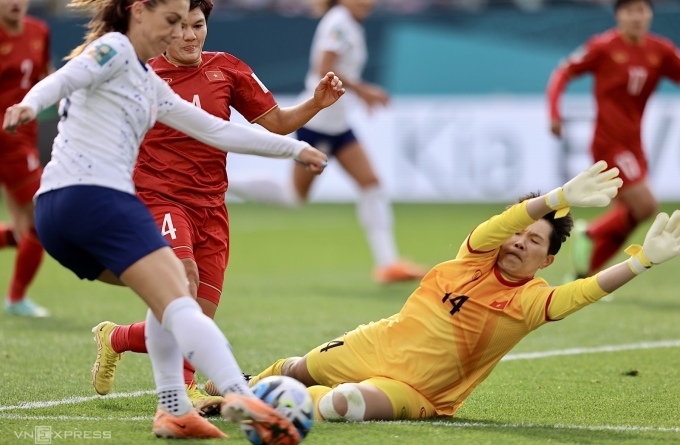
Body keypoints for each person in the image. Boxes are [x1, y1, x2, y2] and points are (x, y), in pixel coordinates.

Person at [2, 0, 330, 444]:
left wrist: (294, 149)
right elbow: (64, 78)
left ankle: (173, 408)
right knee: (180, 292)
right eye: (172, 22)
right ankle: (239, 394)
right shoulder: (115, 48)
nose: (181, 34)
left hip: (62, 216)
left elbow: (215, 130)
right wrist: (28, 103)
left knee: (173, 299)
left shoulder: (145, 78)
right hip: (100, 200)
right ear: (139, 13)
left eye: (191, 24)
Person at [207, 162, 680, 422]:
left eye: (535, 241)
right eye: (520, 233)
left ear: (547, 260)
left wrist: (640, 262)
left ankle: (253, 406)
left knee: (342, 404)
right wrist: (557, 198)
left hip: (417, 390)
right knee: (296, 368)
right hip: (376, 342)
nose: (519, 241)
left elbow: (586, 291)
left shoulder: (532, 301)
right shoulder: (474, 253)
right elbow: (502, 223)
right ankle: (235, 389)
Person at [89, 0, 344, 417]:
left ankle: (116, 338)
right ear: (164, 26)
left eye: (199, 25)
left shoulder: (227, 68)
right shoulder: (142, 73)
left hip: (211, 207)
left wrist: (316, 103)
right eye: (181, 26)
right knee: (182, 287)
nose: (190, 36)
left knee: (195, 318)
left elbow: (276, 122)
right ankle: (183, 391)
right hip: (159, 199)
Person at [227, 0, 428, 284]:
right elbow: (325, 69)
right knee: (295, 197)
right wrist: (364, 90)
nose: (368, 2)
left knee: (371, 184)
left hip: (338, 123)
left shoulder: (348, 24)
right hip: (318, 123)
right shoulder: (338, 22)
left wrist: (359, 93)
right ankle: (225, 182)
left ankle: (388, 263)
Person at [546, 0, 680, 279]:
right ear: (618, 15)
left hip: (635, 143)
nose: (636, 16)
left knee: (632, 214)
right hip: (609, 141)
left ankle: (585, 274)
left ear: (650, 15)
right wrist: (555, 113)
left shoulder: (661, 50)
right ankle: (591, 232)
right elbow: (562, 73)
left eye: (642, 10)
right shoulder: (603, 46)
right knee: (645, 206)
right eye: (630, 10)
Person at [0, 0, 51, 317]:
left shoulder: (39, 30)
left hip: (26, 137)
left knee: (27, 228)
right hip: (7, 140)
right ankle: (16, 298)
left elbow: (47, 78)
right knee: (43, 219)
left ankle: (16, 299)